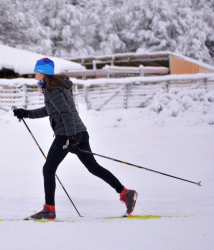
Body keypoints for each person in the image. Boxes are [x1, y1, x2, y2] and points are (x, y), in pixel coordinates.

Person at [13, 57, 138, 220]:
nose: (34, 73)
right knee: (93, 168)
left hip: (67, 134)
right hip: (79, 132)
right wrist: (27, 113)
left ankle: (49, 209)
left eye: (37, 70)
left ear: (43, 72)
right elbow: (50, 109)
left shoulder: (52, 89)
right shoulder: (55, 87)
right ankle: (126, 193)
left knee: (48, 169)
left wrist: (71, 139)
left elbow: (66, 113)